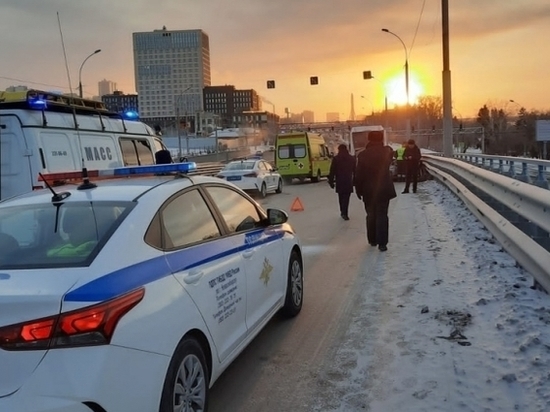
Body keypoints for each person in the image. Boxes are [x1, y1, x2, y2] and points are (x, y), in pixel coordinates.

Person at [354, 130, 397, 251]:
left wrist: (358, 189)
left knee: (371, 215)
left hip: (368, 190)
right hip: (384, 189)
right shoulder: (387, 152)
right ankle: (382, 243)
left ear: (369, 139)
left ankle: (372, 239)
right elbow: (392, 153)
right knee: (382, 215)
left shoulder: (362, 155)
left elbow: (359, 175)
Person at [328, 143, 356, 220]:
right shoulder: (351, 158)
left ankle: (342, 211)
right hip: (348, 181)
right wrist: (355, 181)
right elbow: (355, 171)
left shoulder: (336, 159)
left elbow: (332, 171)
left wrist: (331, 181)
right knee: (346, 198)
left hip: (339, 181)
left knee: (341, 197)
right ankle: (345, 212)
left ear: (339, 149)